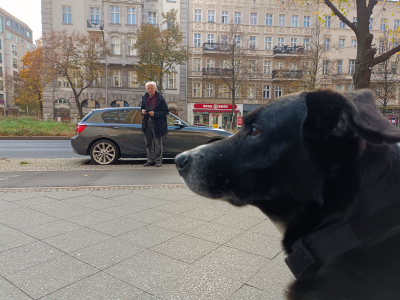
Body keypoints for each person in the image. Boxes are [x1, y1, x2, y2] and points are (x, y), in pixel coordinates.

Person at [141, 81, 169, 167]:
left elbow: (166, 111)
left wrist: (155, 114)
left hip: (157, 123)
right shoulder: (144, 97)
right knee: (148, 143)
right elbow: (141, 108)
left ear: (155, 88)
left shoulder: (160, 98)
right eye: (148, 88)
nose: (150, 90)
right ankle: (150, 160)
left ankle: (158, 160)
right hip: (146, 122)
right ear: (146, 89)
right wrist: (142, 112)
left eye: (151, 88)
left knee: (158, 144)